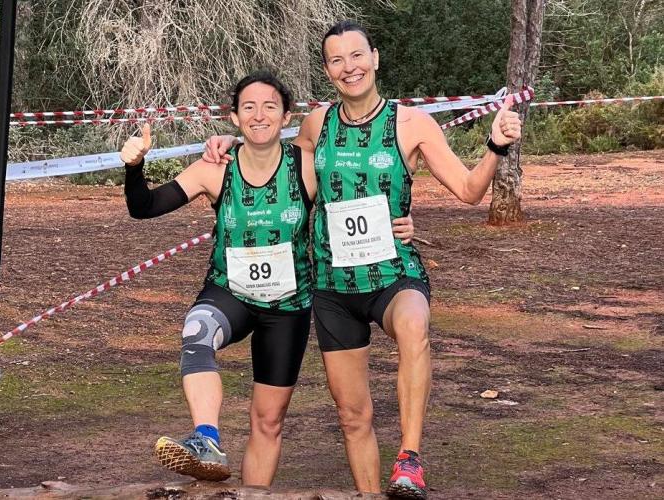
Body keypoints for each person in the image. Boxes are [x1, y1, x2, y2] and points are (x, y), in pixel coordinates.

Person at [203, 21, 522, 499]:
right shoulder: (316, 125)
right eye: (337, 60)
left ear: (375, 58)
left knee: (414, 325)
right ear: (327, 70)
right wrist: (227, 143)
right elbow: (273, 159)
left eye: (356, 55)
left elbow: (470, 190)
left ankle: (409, 458)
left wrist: (495, 145)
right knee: (354, 416)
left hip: (393, 272)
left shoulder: (411, 123)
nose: (348, 67)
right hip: (333, 287)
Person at [121, 70, 416, 486]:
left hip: (287, 308)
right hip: (231, 293)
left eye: (269, 107)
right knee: (197, 331)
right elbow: (144, 207)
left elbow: (362, 195)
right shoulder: (215, 169)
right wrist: (135, 167)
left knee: (268, 420)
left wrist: (403, 221)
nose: (259, 115)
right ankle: (206, 438)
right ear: (234, 117)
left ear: (286, 115)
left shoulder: (308, 167)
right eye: (249, 107)